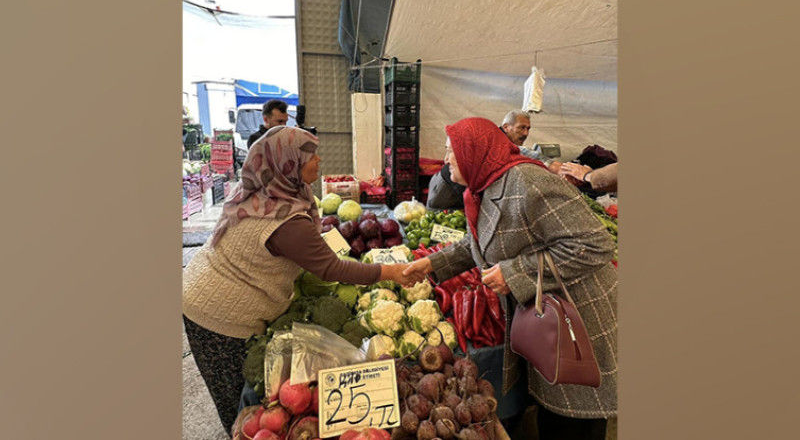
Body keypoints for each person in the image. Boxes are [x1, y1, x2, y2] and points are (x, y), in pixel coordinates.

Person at [183, 126, 418, 435]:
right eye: (310, 156)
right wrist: (391, 272)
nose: (319, 160)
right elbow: (333, 270)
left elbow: (313, 248)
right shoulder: (285, 220)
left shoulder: (271, 190)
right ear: (288, 164)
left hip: (209, 286)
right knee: (241, 409)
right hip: (218, 312)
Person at [404, 117, 617, 440]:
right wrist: (432, 264)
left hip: (578, 323)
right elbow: (478, 242)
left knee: (575, 422)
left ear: (473, 151)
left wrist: (515, 272)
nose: (446, 160)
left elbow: (594, 244)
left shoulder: (528, 182)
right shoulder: (484, 187)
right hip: (548, 321)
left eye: (451, 152)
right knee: (553, 416)